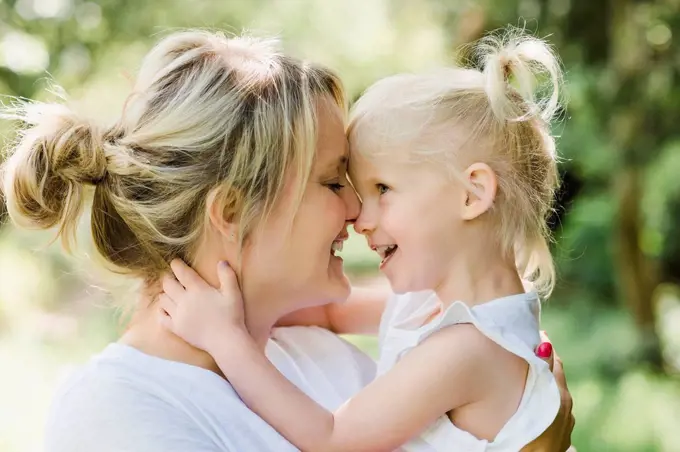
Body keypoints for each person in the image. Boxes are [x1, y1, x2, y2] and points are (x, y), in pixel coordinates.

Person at [1, 30, 573, 451]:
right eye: (333, 182)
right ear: (231, 210)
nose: (355, 212)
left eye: (374, 188)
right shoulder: (117, 418)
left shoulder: (303, 353)